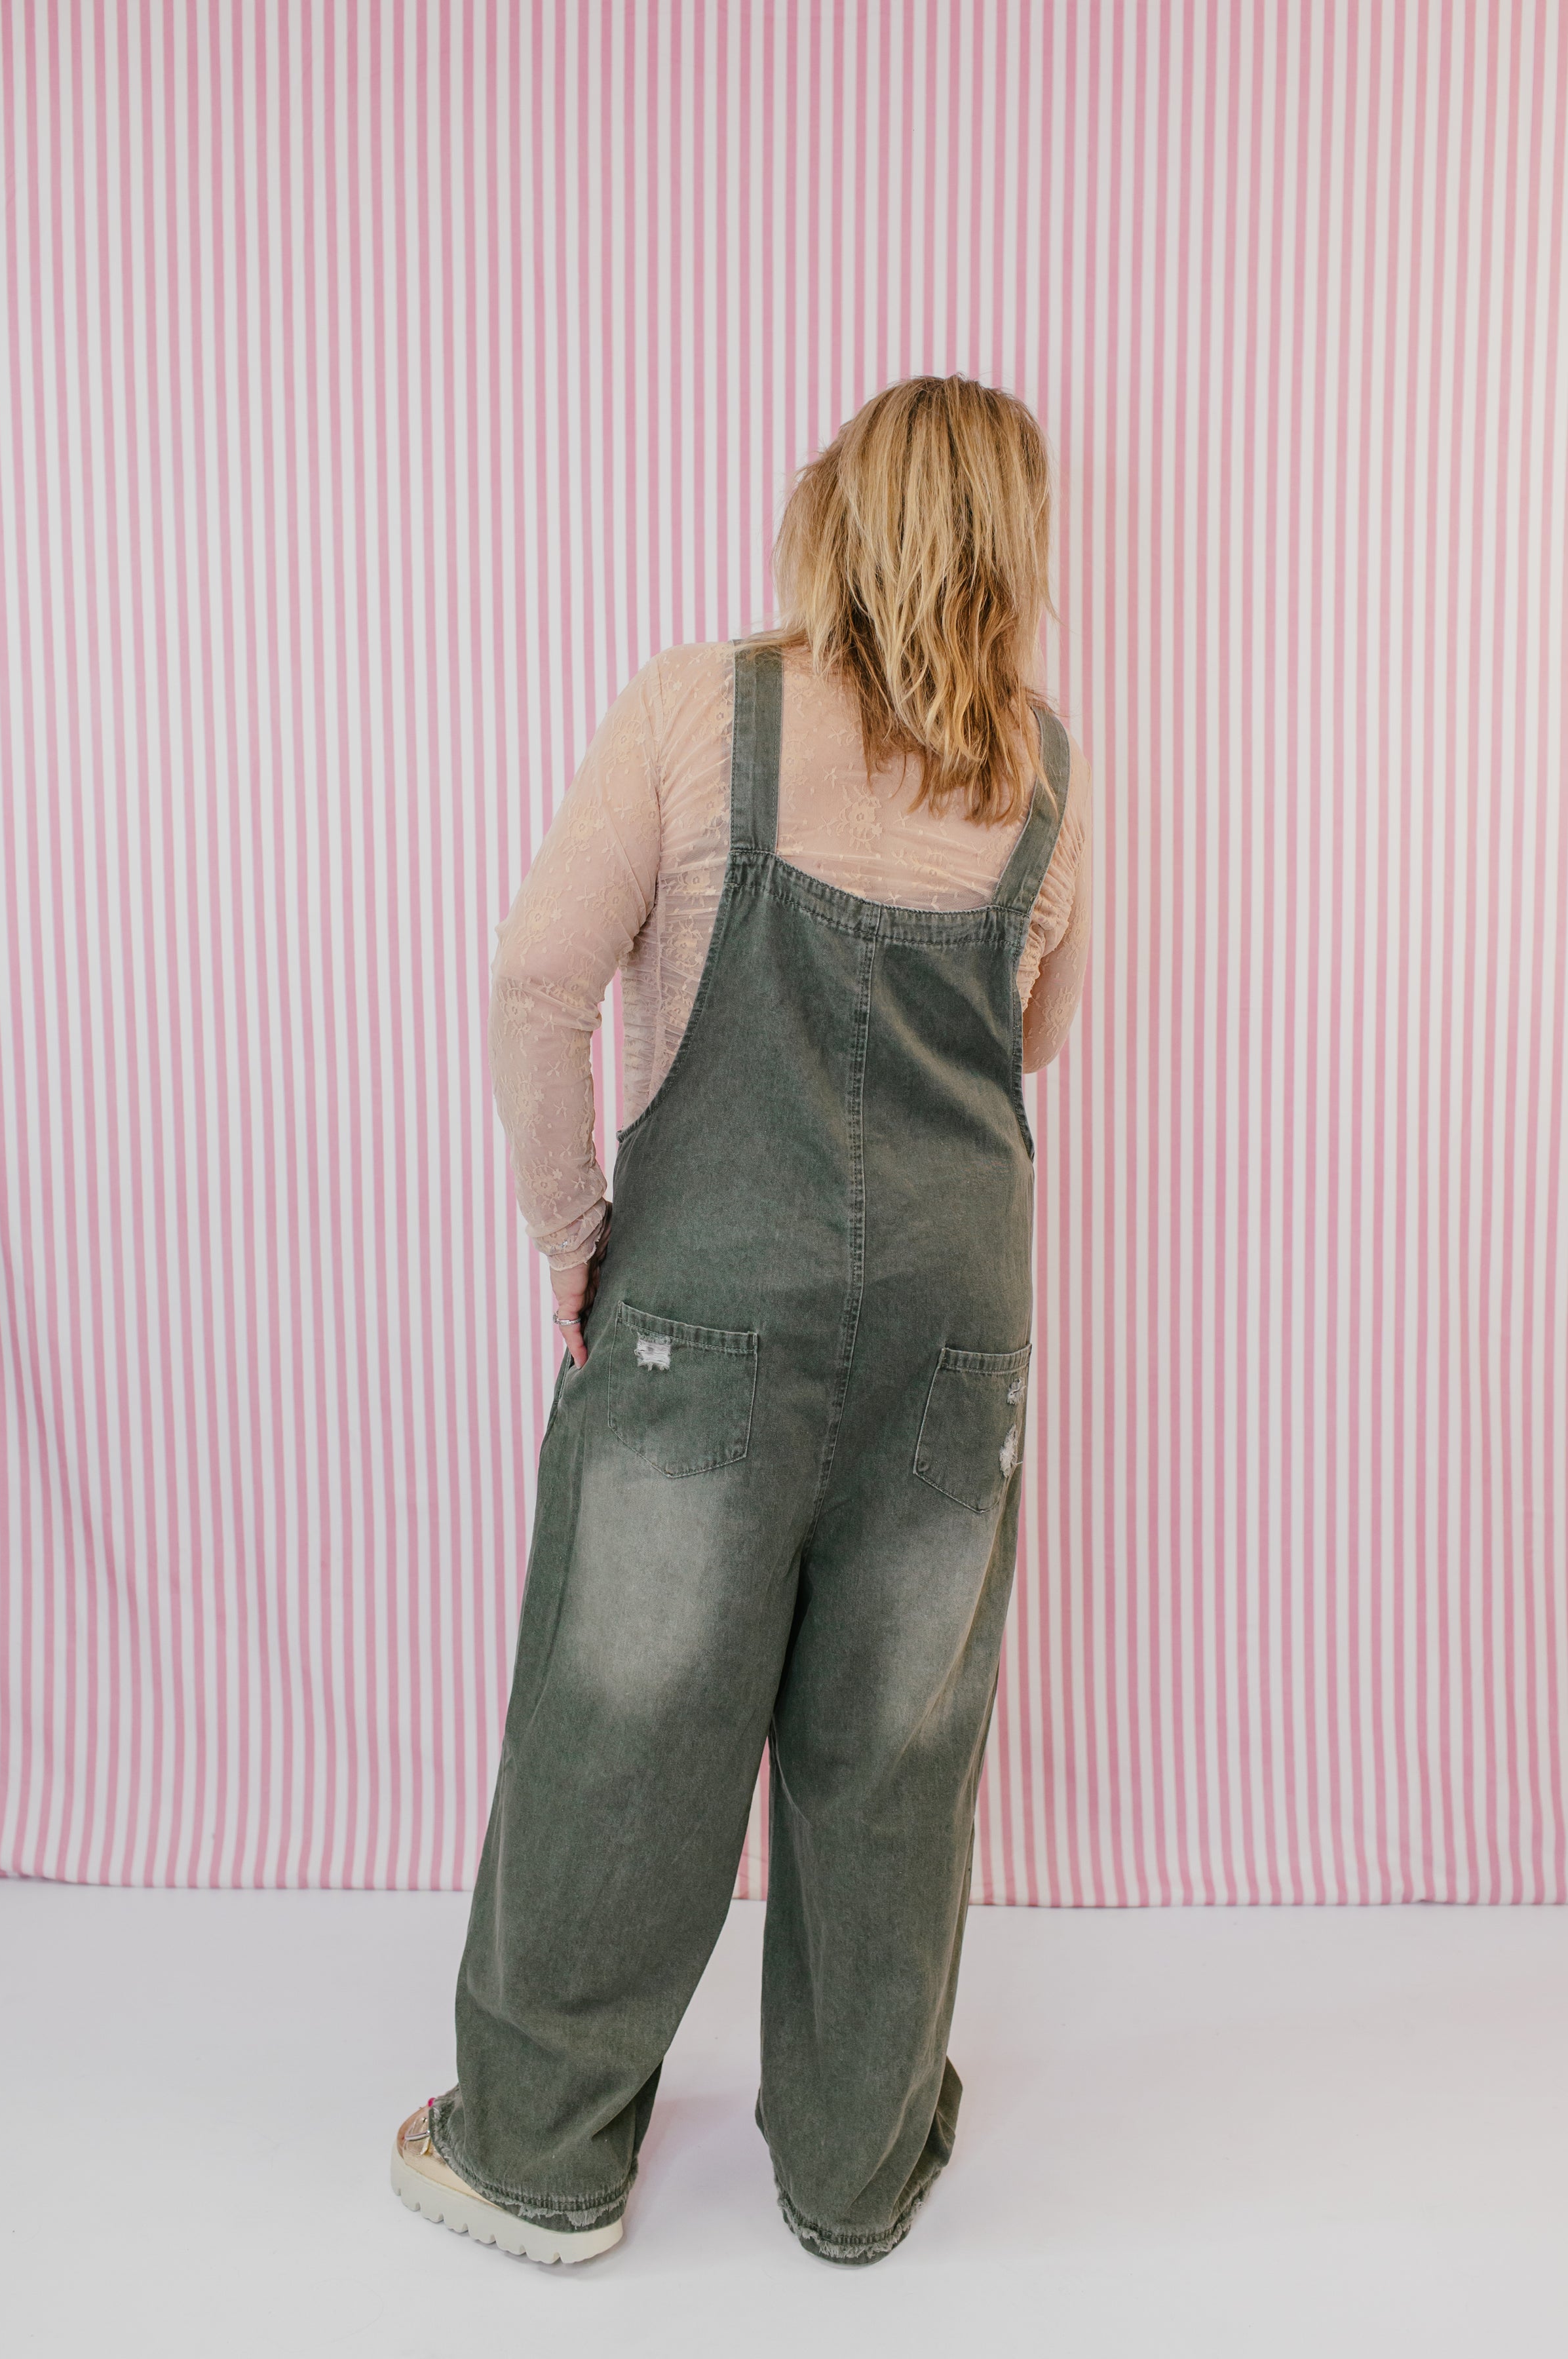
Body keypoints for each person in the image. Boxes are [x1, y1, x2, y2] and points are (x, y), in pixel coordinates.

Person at [391, 375, 1094, 2267]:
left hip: (704, 1308)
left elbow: (540, 985)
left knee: (628, 1723)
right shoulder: (1043, 765)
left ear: (833, 513)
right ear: (1012, 547)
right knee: (896, 1747)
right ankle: (856, 2175)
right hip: (954, 1333)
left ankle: (537, 2159)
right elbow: (1032, 1032)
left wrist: (574, 1237)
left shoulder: (701, 708)